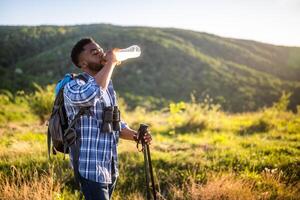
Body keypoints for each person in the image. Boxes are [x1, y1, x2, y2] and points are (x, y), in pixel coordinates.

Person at [64, 37, 152, 200]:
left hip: (109, 168)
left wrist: (136, 136)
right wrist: (111, 62)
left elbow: (115, 125)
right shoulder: (74, 86)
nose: (101, 54)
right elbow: (89, 96)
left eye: (100, 50)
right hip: (89, 167)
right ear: (82, 63)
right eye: (94, 52)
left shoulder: (108, 88)